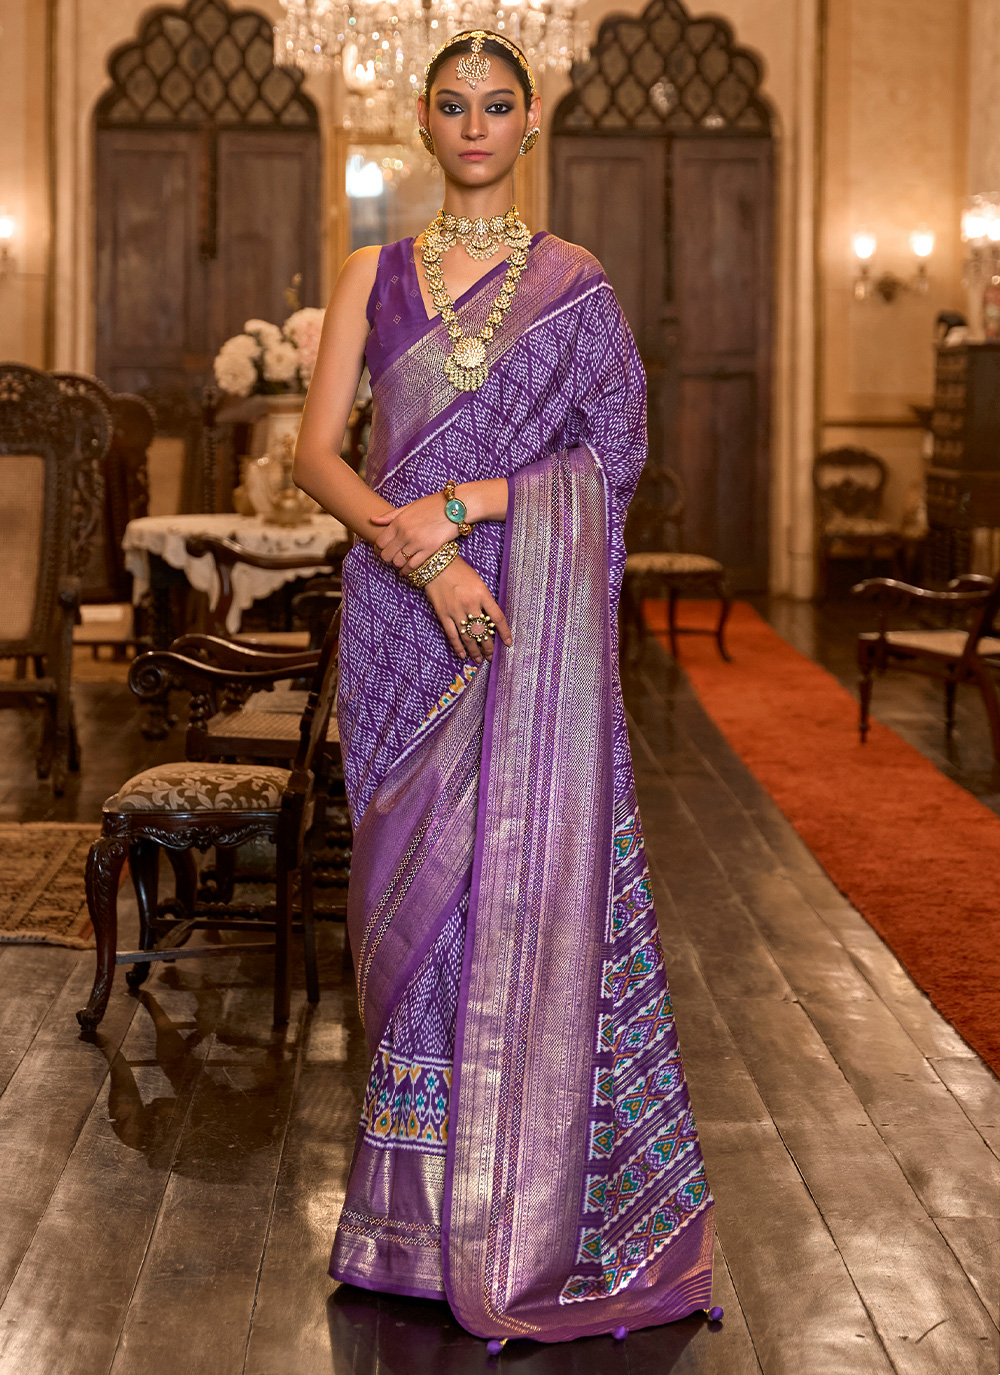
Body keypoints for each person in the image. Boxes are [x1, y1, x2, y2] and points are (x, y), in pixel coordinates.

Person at [293, 28, 717, 1348]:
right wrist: (424, 559)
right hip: (399, 616)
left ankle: (519, 1211)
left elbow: (616, 462)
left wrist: (471, 509)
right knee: (414, 898)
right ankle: (406, 1220)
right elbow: (317, 458)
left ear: (531, 122)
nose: (474, 123)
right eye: (452, 104)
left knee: (513, 884)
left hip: (525, 615)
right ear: (423, 126)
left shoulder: (577, 287)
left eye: (497, 104)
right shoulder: (372, 271)